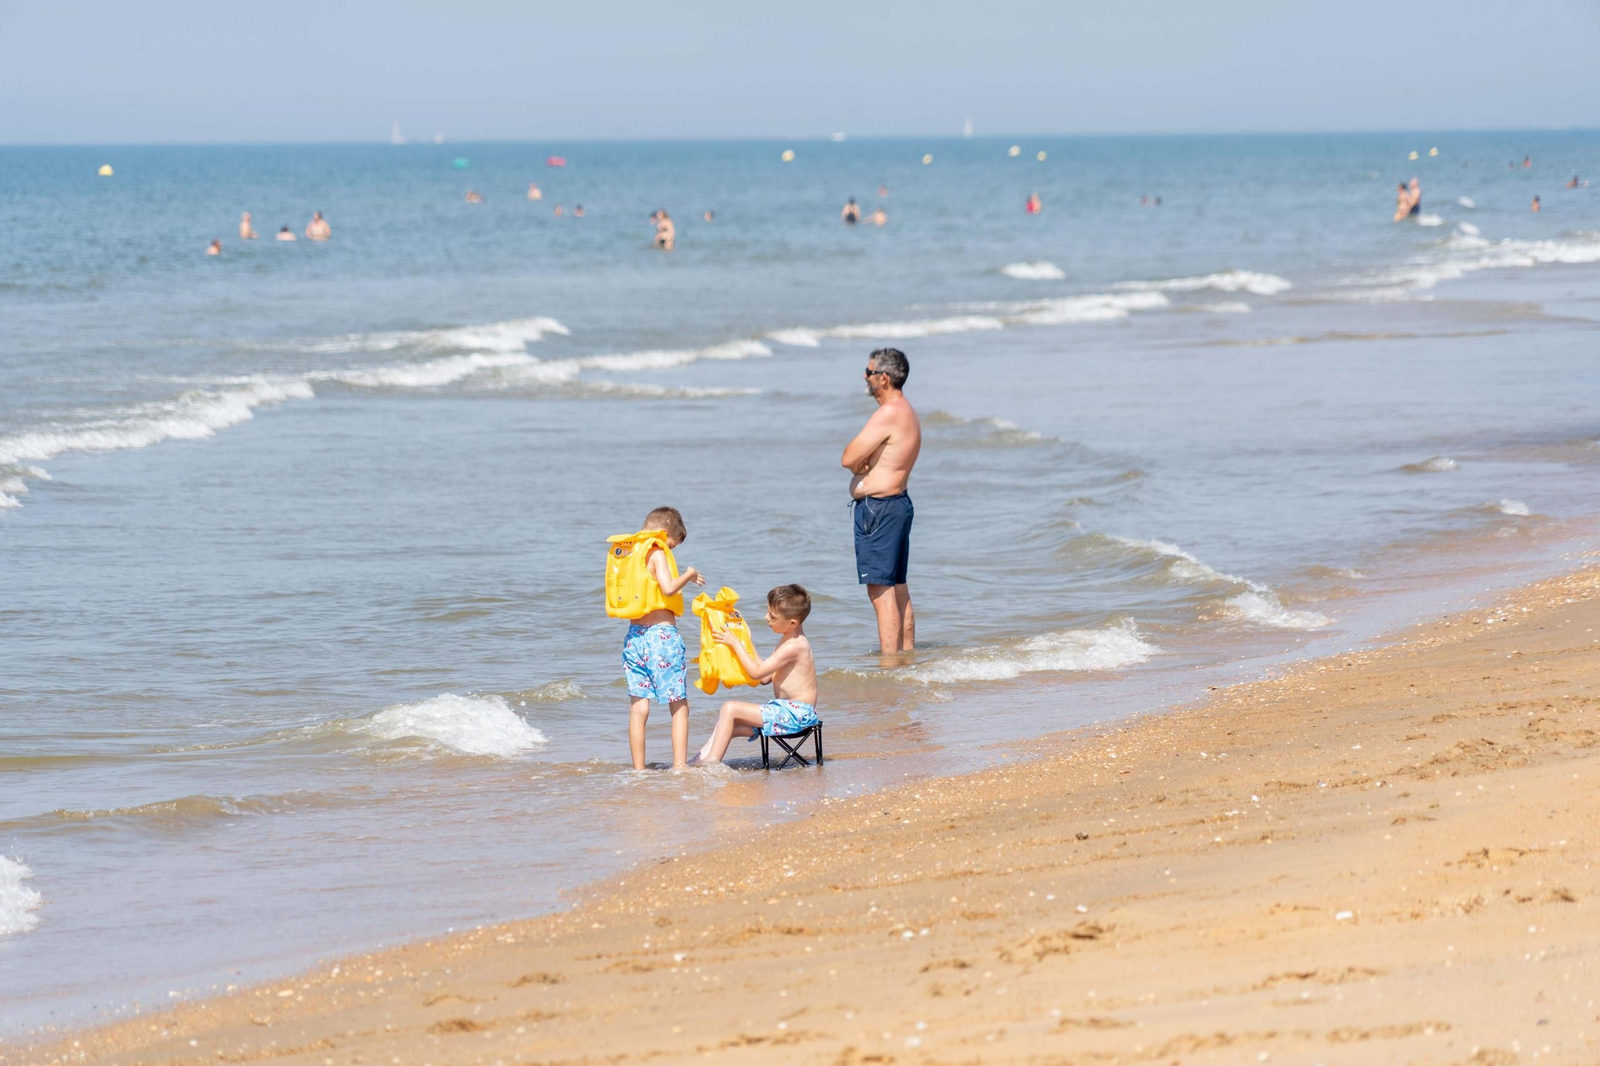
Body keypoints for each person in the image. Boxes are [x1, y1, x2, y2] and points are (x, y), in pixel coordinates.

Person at [841, 348, 921, 657]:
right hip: (897, 504)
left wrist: (861, 466)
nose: (865, 376)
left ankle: (890, 664)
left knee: (880, 591)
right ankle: (906, 654)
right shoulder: (907, 411)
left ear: (883, 378)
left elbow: (848, 457)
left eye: (869, 371)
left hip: (879, 509)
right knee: (897, 587)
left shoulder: (888, 413)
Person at [617, 506, 705, 769]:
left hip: (634, 638)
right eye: (672, 545)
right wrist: (688, 575)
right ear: (664, 533)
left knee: (638, 706)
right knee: (678, 704)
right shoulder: (656, 552)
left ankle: (639, 771)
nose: (670, 550)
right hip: (661, 638)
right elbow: (667, 589)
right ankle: (679, 768)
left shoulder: (629, 553)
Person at [691, 585, 818, 766]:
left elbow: (756, 672)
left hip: (797, 715)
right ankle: (697, 762)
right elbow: (765, 678)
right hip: (785, 711)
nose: (767, 618)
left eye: (773, 616)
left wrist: (736, 644)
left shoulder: (795, 646)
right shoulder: (787, 641)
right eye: (768, 613)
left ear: (793, 623)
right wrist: (746, 641)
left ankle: (712, 764)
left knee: (730, 708)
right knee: (727, 724)